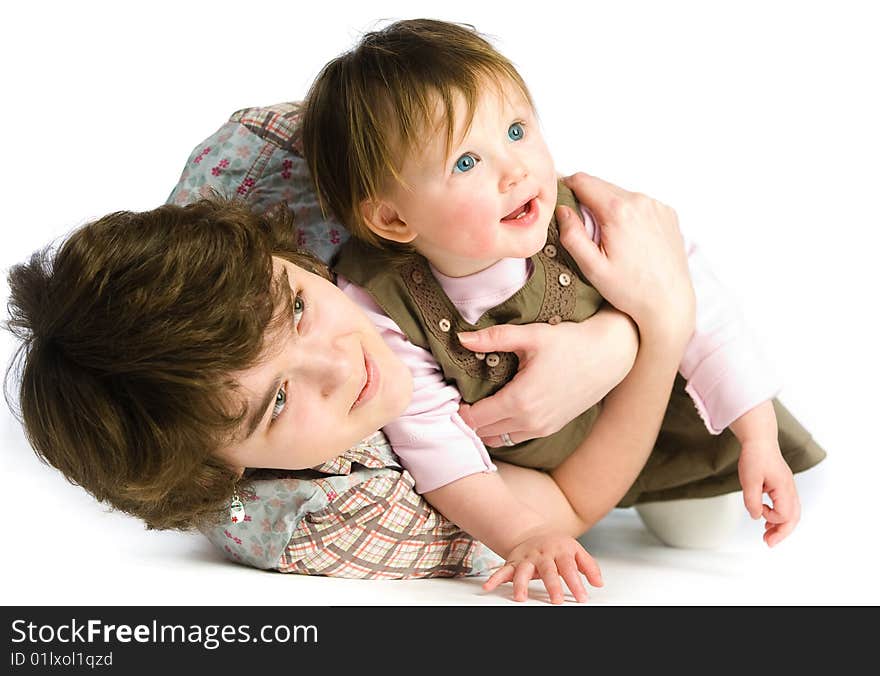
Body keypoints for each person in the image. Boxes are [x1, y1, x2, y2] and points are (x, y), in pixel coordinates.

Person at [299, 18, 826, 569]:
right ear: (392, 217)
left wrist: (758, 435)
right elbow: (433, 444)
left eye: (516, 131)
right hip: (541, 478)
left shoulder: (585, 220)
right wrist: (522, 535)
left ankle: (690, 477)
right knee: (493, 508)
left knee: (700, 532)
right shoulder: (380, 303)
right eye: (466, 161)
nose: (514, 169)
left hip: (662, 417)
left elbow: (693, 301)